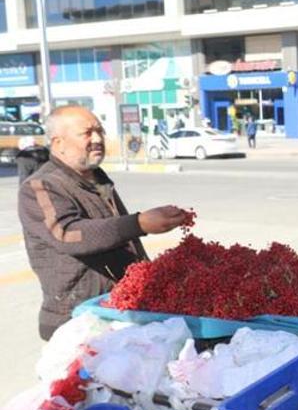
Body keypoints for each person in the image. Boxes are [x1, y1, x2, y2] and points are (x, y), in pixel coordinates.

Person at [18, 106, 188, 341]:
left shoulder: (98, 180)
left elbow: (126, 243)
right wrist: (138, 223)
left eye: (100, 131)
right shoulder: (40, 186)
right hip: (76, 320)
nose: (97, 139)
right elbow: (68, 234)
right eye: (87, 133)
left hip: (117, 310)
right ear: (58, 143)